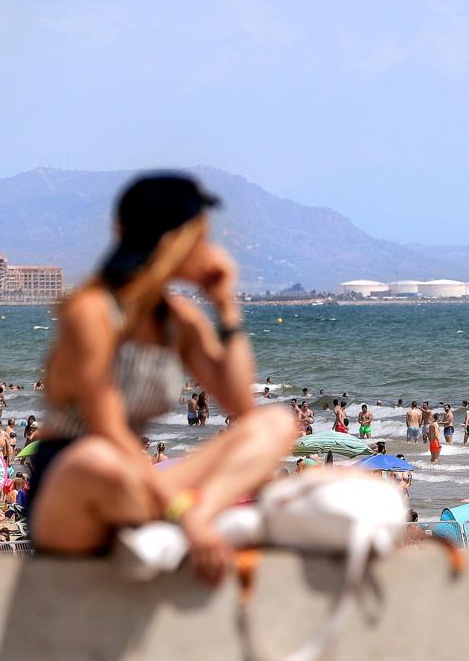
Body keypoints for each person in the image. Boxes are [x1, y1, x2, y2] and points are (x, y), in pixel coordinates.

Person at [27, 174, 294, 582]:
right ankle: (185, 524)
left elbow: (241, 405)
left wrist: (225, 307)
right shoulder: (93, 311)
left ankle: (195, 520)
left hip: (137, 485)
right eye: (198, 238)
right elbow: (106, 427)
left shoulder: (179, 321)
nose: (206, 250)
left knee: (277, 422)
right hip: (73, 485)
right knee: (97, 457)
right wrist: (178, 509)